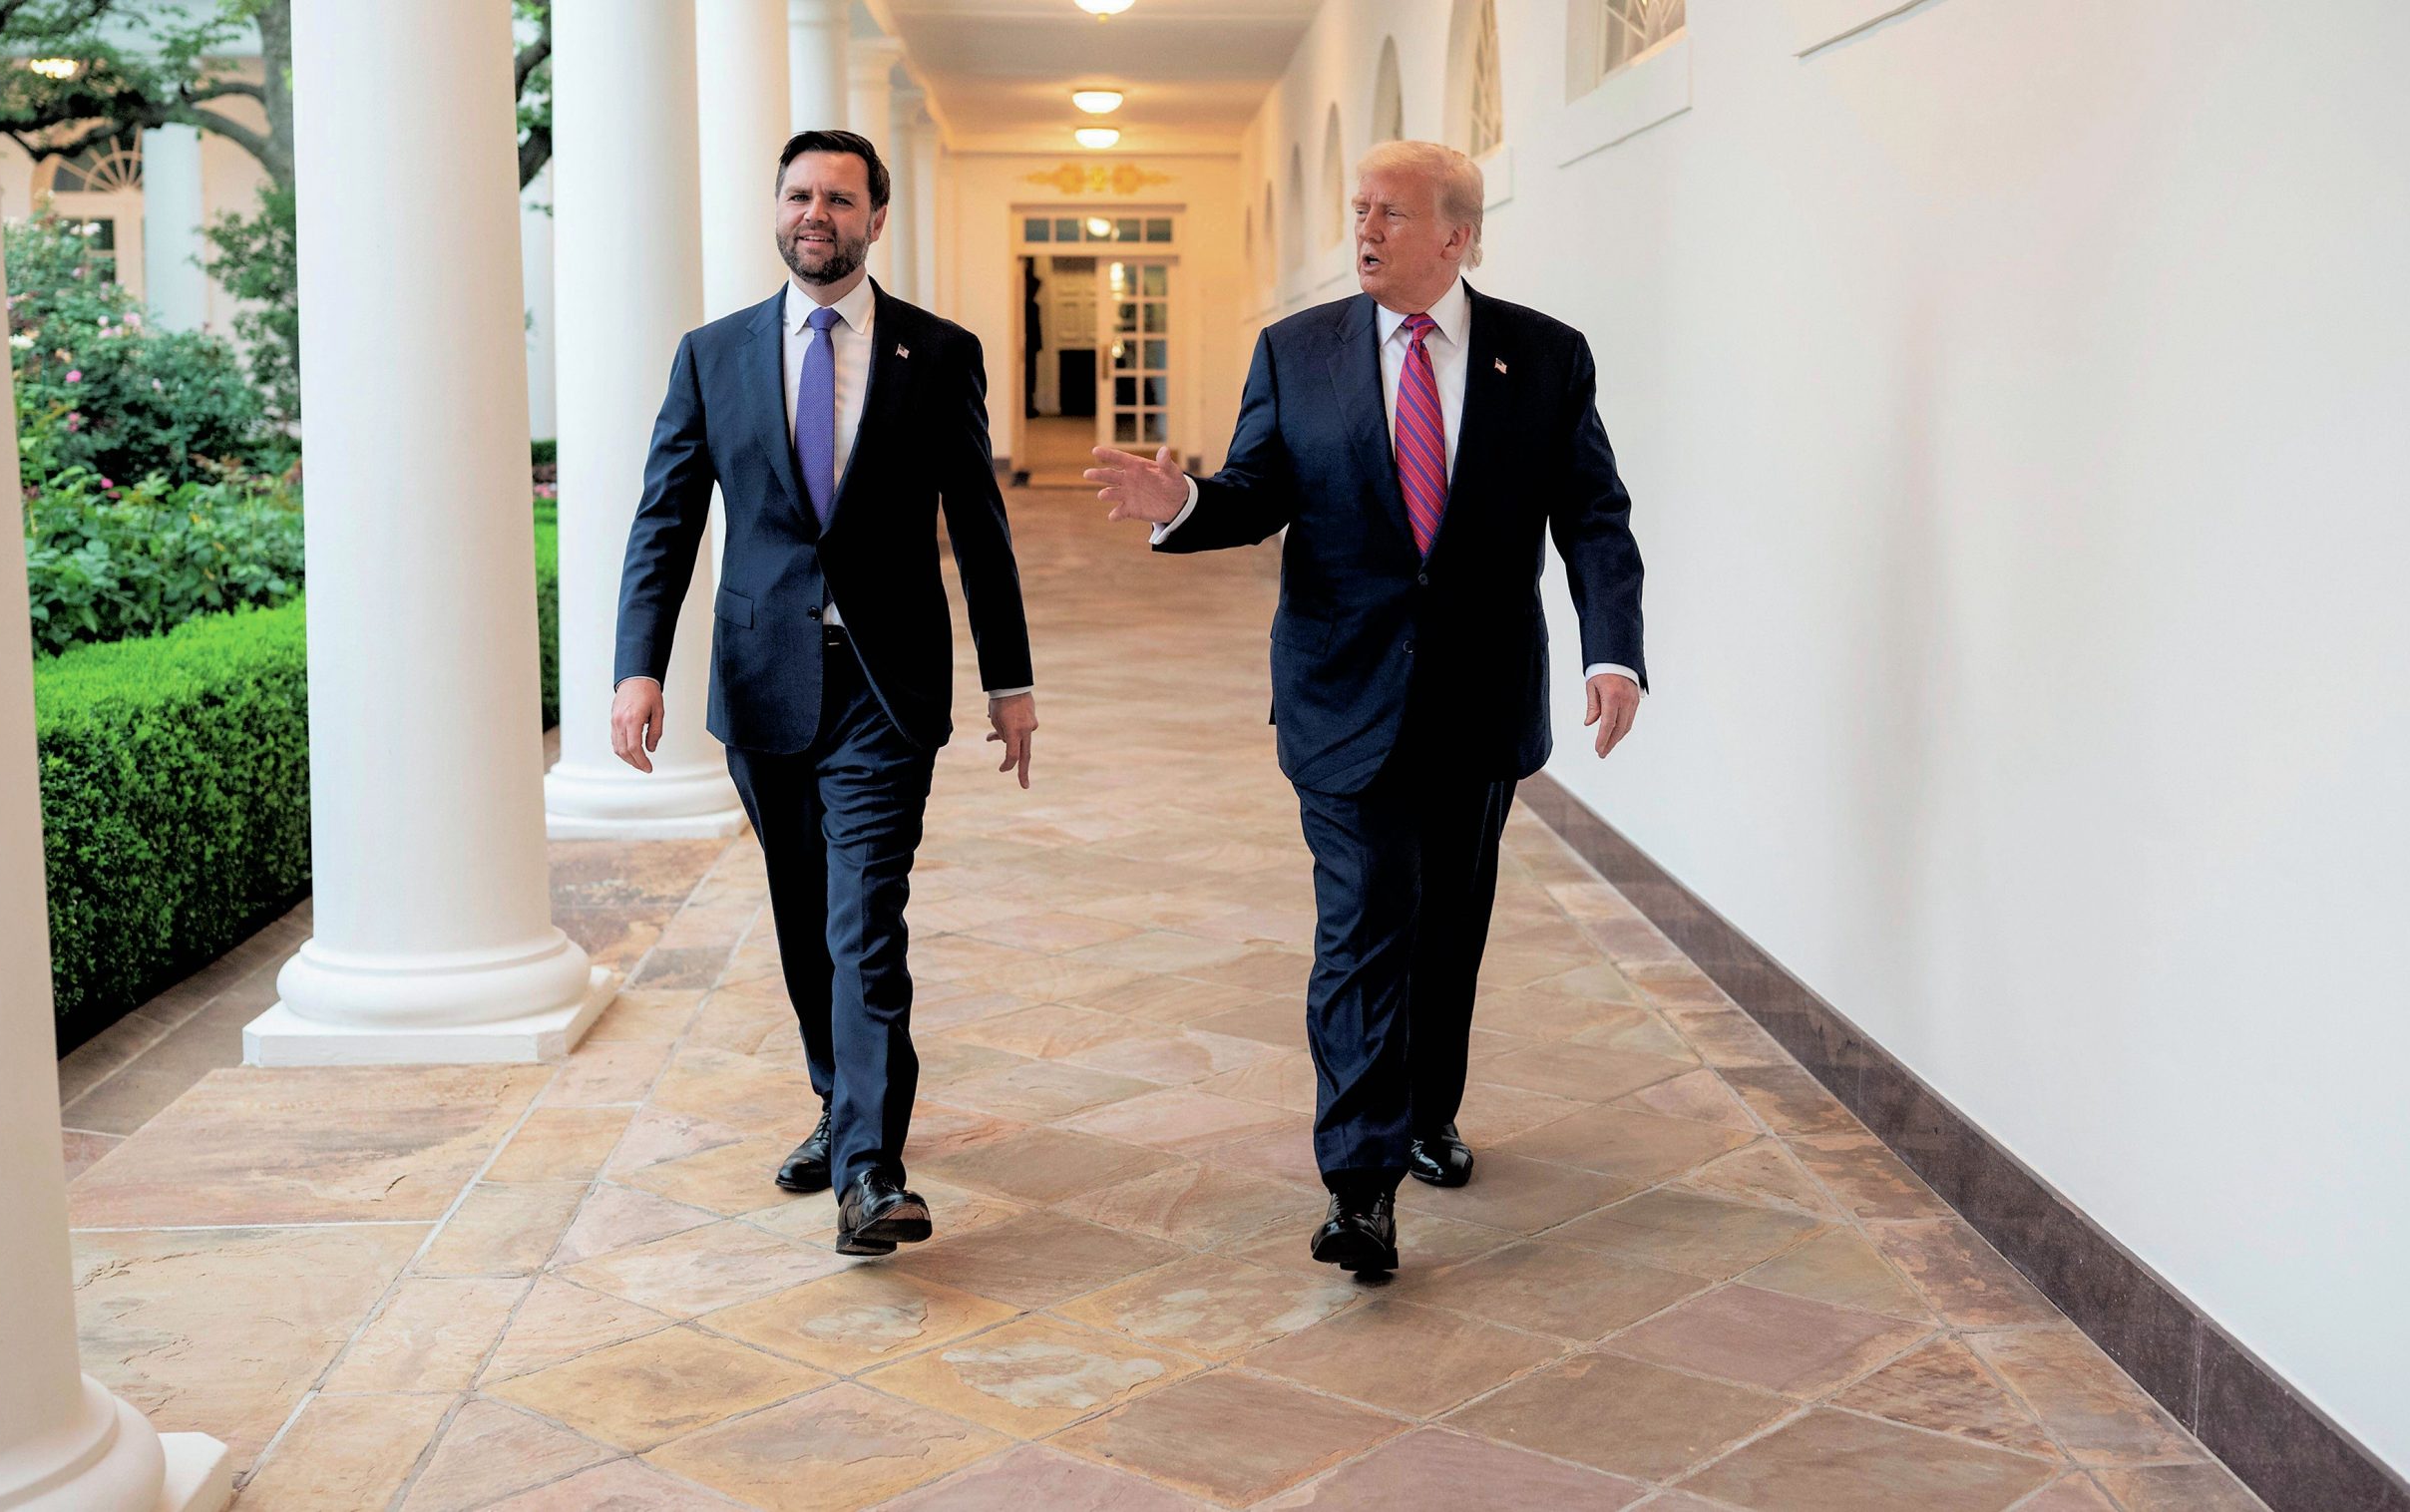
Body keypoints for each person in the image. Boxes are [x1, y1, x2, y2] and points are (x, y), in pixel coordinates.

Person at [1088, 140, 1646, 1275]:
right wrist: (1182, 500)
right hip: (1341, 693)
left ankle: (1428, 1110)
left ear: (1457, 236)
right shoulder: (1298, 350)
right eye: (1358, 211)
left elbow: (1591, 514)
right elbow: (1256, 493)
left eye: (1390, 213)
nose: (1365, 231)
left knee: (1448, 926)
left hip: (1479, 698)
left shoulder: (1543, 356)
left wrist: (1613, 652)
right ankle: (1359, 1185)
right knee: (1360, 928)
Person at [610, 130, 1037, 1257]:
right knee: (805, 918)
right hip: (762, 684)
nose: (817, 213)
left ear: (874, 220)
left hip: (884, 689)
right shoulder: (712, 355)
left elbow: (979, 529)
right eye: (800, 194)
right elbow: (666, 521)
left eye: (840, 199)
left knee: (864, 923)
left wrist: (1009, 679)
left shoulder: (937, 353)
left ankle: (869, 1172)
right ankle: (836, 1101)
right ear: (778, 208)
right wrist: (637, 665)